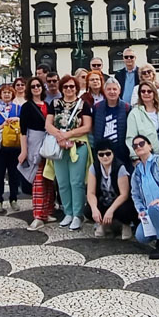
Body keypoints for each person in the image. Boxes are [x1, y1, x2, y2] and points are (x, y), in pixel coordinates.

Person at [46, 74, 92, 230]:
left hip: (78, 145)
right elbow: (48, 124)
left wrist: (69, 134)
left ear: (76, 88)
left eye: (72, 86)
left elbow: (87, 126)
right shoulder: (55, 103)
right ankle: (68, 212)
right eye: (65, 86)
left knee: (76, 182)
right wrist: (59, 136)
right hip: (59, 146)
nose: (69, 89)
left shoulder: (83, 104)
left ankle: (78, 214)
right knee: (62, 182)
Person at [20, 77, 54, 230]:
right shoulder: (27, 106)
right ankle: (38, 215)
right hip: (34, 144)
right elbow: (22, 130)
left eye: (38, 86)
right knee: (38, 180)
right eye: (33, 86)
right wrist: (24, 150)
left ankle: (46, 211)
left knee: (49, 179)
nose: (36, 88)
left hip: (48, 143)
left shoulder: (47, 105)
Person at [85, 141, 136, 240]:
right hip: (104, 200)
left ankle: (126, 224)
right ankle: (103, 223)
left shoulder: (120, 167)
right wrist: (94, 209)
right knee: (88, 210)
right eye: (101, 154)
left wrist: (110, 210)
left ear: (113, 153)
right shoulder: (94, 167)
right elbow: (90, 192)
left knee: (124, 210)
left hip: (119, 202)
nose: (105, 157)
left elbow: (124, 194)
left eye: (108, 153)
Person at [0, 84, 22, 213]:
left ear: (13, 94)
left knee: (14, 174)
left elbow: (24, 122)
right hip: (0, 147)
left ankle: (13, 199)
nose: (7, 95)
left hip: (14, 146)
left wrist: (17, 119)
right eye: (4, 92)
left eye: (9, 92)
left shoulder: (18, 109)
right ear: (0, 95)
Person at [93, 78, 131, 165]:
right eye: (109, 89)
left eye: (114, 89)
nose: (112, 92)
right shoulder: (97, 107)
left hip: (121, 151)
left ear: (119, 91)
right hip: (103, 151)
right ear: (104, 91)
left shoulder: (127, 108)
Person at [126, 81, 159, 157]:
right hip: (145, 157)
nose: (146, 93)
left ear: (154, 93)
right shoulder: (134, 114)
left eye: (149, 91)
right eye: (143, 91)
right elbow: (131, 138)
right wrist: (135, 158)